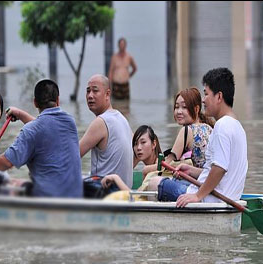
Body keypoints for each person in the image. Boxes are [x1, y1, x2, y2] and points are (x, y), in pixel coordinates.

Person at [150, 68, 248, 208]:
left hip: (210, 200)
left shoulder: (222, 127)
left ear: (219, 97)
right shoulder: (238, 127)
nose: (203, 100)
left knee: (154, 182)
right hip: (223, 197)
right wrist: (191, 171)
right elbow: (221, 172)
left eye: (206, 94)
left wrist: (197, 196)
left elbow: (219, 168)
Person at [0, 79, 83, 198]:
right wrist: (20, 114)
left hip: (49, 199)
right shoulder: (70, 122)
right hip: (75, 196)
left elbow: (6, 163)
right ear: (58, 100)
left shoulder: (31, 131)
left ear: (35, 103)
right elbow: (43, 128)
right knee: (20, 183)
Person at [79, 74, 134, 188]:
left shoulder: (100, 122)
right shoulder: (122, 118)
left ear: (107, 94)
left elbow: (72, 155)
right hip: (124, 191)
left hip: (106, 192)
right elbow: (137, 153)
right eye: (88, 91)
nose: (90, 96)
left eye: (95, 91)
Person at [101, 125, 161, 191]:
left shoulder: (154, 168)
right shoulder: (152, 166)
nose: (138, 148)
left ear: (154, 144)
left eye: (143, 142)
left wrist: (116, 178)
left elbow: (135, 197)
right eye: (135, 144)